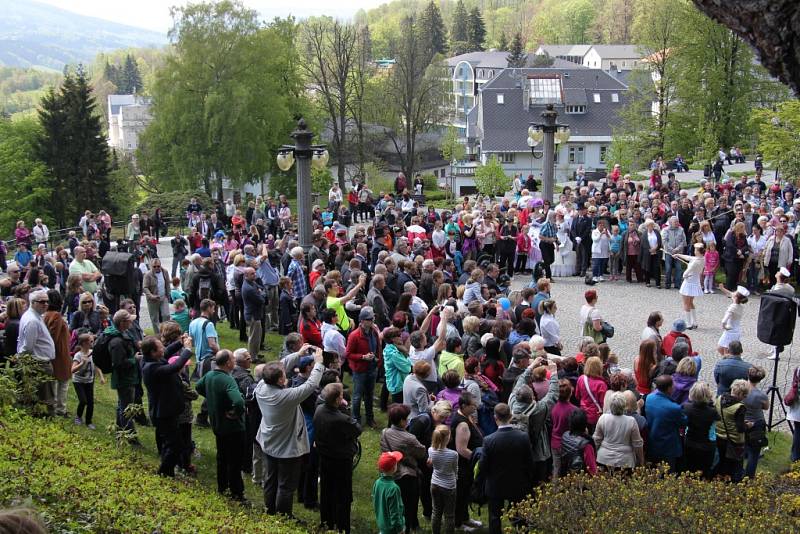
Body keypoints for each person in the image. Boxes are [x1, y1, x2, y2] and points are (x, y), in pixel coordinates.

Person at [256, 347, 325, 516]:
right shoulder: (285, 397)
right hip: (286, 448)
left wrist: (298, 354)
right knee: (286, 486)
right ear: (280, 381)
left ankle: (270, 510)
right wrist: (319, 363)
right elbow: (311, 384)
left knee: (271, 480)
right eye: (284, 375)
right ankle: (283, 516)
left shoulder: (261, 387)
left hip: (268, 442)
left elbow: (278, 366)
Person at [196, 350, 247, 502]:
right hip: (233, 428)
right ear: (227, 363)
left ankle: (222, 488)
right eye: (233, 359)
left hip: (218, 425)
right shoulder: (228, 380)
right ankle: (237, 493)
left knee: (222, 458)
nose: (235, 362)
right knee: (235, 461)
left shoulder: (210, 375)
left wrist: (214, 399)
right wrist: (236, 412)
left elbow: (199, 387)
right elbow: (238, 401)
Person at [141, 333, 194, 477]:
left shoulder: (152, 359)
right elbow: (175, 366)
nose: (163, 349)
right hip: (164, 413)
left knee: (170, 444)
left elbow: (168, 351)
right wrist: (187, 350)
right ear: (152, 352)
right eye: (159, 347)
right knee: (176, 445)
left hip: (167, 410)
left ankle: (168, 471)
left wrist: (180, 342)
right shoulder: (152, 368)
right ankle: (164, 472)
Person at [479, 403, 535, 534]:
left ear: (495, 418)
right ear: (510, 416)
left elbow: (483, 465)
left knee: (494, 517)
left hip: (495, 484)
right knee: (520, 517)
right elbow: (530, 462)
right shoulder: (523, 437)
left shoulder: (488, 440)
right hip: (518, 483)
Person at [314, 382, 362, 534]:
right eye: (341, 395)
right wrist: (345, 410)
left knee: (327, 490)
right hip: (341, 459)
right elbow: (357, 430)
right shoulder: (341, 418)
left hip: (325, 455)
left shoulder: (319, 409)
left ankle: (326, 521)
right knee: (343, 494)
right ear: (337, 400)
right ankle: (343, 526)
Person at [380, 404, 427, 533]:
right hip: (407, 475)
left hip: (390, 471)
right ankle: (408, 527)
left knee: (394, 504)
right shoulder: (409, 438)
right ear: (401, 421)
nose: (408, 420)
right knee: (409, 505)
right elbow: (422, 452)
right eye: (406, 418)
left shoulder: (384, 432)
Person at [450, 391, 483, 531]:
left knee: (465, 493)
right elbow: (461, 449)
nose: (475, 407)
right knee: (461, 493)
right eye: (472, 405)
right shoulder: (462, 424)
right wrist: (478, 459)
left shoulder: (466, 416)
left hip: (468, 465)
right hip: (463, 466)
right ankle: (459, 523)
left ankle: (465, 518)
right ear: (463, 406)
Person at [345, 307, 382, 428]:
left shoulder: (374, 332)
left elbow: (377, 348)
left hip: (372, 368)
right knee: (357, 396)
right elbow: (348, 354)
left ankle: (370, 418)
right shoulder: (354, 336)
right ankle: (356, 419)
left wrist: (377, 360)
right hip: (360, 370)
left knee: (369, 395)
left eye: (373, 318)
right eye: (370, 319)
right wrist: (363, 357)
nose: (372, 321)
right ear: (362, 321)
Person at [645, 375, 688, 471]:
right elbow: (683, 422)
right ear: (669, 388)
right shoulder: (674, 408)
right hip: (668, 447)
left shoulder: (649, 398)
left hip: (652, 442)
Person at [593, 392, 644, 471]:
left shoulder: (603, 418)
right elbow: (637, 444)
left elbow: (596, 440)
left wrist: (594, 455)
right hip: (625, 461)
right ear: (624, 405)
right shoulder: (631, 421)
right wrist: (641, 461)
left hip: (603, 459)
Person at [715, 378, 751, 482]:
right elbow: (740, 428)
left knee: (721, 462)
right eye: (745, 395)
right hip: (733, 441)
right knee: (733, 466)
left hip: (719, 435)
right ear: (741, 394)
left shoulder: (720, 398)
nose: (745, 397)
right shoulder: (740, 407)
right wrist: (748, 425)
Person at [427, 424, 458, 534]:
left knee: (436, 512)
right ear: (447, 437)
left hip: (434, 484)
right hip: (449, 486)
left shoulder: (430, 450)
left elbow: (431, 463)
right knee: (449, 515)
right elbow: (455, 470)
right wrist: (456, 479)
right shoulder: (453, 454)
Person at [71, 332, 104, 429]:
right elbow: (72, 370)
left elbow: (96, 365)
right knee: (83, 401)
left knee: (90, 402)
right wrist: (82, 363)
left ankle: (89, 421)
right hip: (78, 381)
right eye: (91, 341)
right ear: (84, 343)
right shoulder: (78, 355)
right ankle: (78, 417)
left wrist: (101, 376)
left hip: (89, 381)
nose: (93, 343)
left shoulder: (92, 353)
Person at [743, 366, 768, 478]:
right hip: (757, 424)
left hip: (742, 421)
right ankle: (749, 476)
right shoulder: (761, 395)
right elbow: (766, 407)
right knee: (754, 453)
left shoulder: (740, 389)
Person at [373, 451, 406, 534]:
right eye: (396, 463)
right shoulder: (394, 488)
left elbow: (375, 502)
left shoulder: (377, 483)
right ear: (393, 468)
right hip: (393, 530)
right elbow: (395, 512)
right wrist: (399, 529)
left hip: (382, 526)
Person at [674, 243, 705, 329]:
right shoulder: (703, 258)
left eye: (695, 250)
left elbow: (686, 273)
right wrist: (678, 255)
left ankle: (689, 324)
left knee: (686, 304)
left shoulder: (695, 262)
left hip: (689, 283)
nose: (694, 251)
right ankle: (694, 322)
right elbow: (689, 258)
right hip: (695, 282)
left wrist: (684, 275)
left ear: (698, 251)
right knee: (691, 303)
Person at [575, 356, 607, 432]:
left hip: (583, 412)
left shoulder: (581, 378)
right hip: (595, 416)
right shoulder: (601, 384)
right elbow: (603, 403)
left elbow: (577, 395)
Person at [241, 267, 266, 359]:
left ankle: (255, 353)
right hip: (252, 315)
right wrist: (261, 293)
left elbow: (261, 288)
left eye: (255, 273)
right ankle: (252, 356)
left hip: (255, 314)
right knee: (253, 337)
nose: (255, 275)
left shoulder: (252, 283)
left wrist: (260, 292)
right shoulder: (249, 288)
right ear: (246, 275)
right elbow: (261, 300)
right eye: (252, 274)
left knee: (257, 336)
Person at [143, 259, 170, 333]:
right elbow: (145, 288)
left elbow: (167, 284)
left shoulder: (165, 272)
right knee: (155, 318)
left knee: (166, 315)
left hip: (163, 297)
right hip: (153, 300)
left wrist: (168, 295)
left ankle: (166, 332)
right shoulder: (148, 275)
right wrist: (151, 296)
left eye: (158, 266)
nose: (156, 268)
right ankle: (158, 335)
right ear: (151, 266)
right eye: (154, 267)